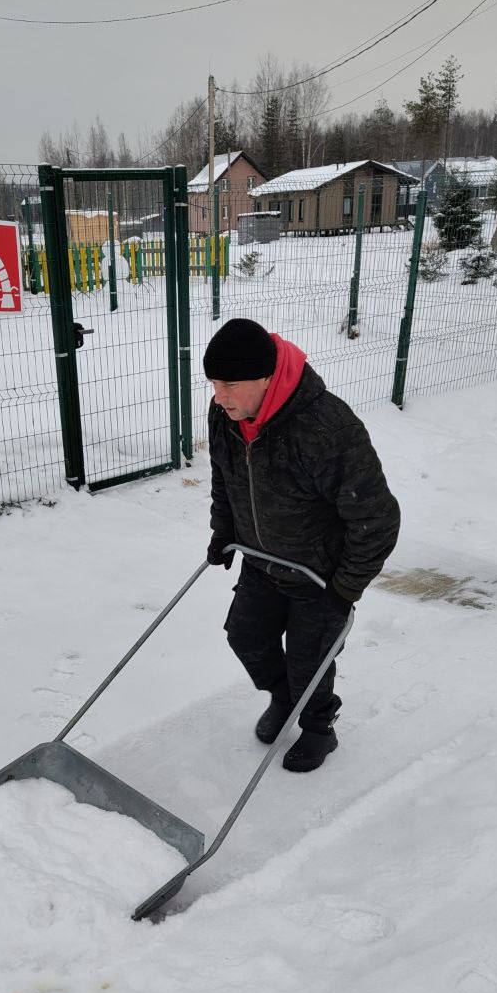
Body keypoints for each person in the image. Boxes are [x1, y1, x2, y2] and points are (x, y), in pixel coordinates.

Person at [204, 318, 400, 773]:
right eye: (214, 383)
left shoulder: (326, 428)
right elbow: (226, 482)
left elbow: (377, 517)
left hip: (319, 575)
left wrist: (346, 586)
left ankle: (317, 729)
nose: (219, 396)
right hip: (262, 561)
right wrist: (223, 533)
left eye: (230, 383)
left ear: (267, 378)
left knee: (310, 662)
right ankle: (284, 697)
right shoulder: (225, 416)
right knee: (246, 636)